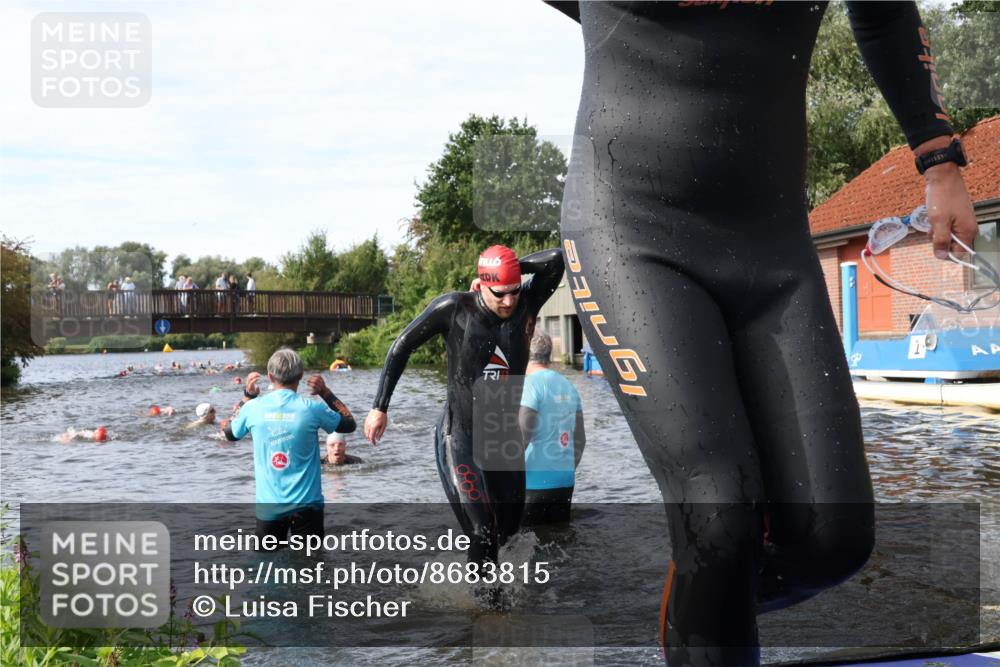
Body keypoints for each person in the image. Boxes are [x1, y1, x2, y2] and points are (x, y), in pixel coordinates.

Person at [546, 2, 979, 665]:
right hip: (627, 228)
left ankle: (700, 594)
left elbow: (886, 14)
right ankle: (709, 577)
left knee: (832, 538)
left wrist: (939, 161)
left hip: (771, 244)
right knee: (720, 517)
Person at [364, 245, 564, 569]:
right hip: (460, 437)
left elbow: (556, 259)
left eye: (514, 291)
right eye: (500, 293)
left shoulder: (528, 301)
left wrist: (513, 267)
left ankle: (505, 607)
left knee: (511, 537)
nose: (510, 301)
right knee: (482, 532)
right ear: (481, 283)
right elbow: (402, 346)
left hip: (502, 438)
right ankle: (484, 614)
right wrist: (379, 407)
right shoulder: (455, 308)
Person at [224, 349, 357, 544]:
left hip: (269, 508)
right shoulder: (312, 408)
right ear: (301, 375)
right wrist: (325, 393)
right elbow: (349, 423)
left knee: (266, 568)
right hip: (307, 507)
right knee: (312, 568)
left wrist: (246, 397)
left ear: (270, 376)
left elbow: (229, 433)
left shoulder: (252, 408)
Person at [519, 330, 585, 525]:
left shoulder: (530, 385)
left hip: (533, 484)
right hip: (565, 482)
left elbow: (522, 436)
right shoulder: (569, 386)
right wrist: (565, 470)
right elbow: (580, 441)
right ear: (549, 354)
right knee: (559, 541)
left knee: (517, 548)